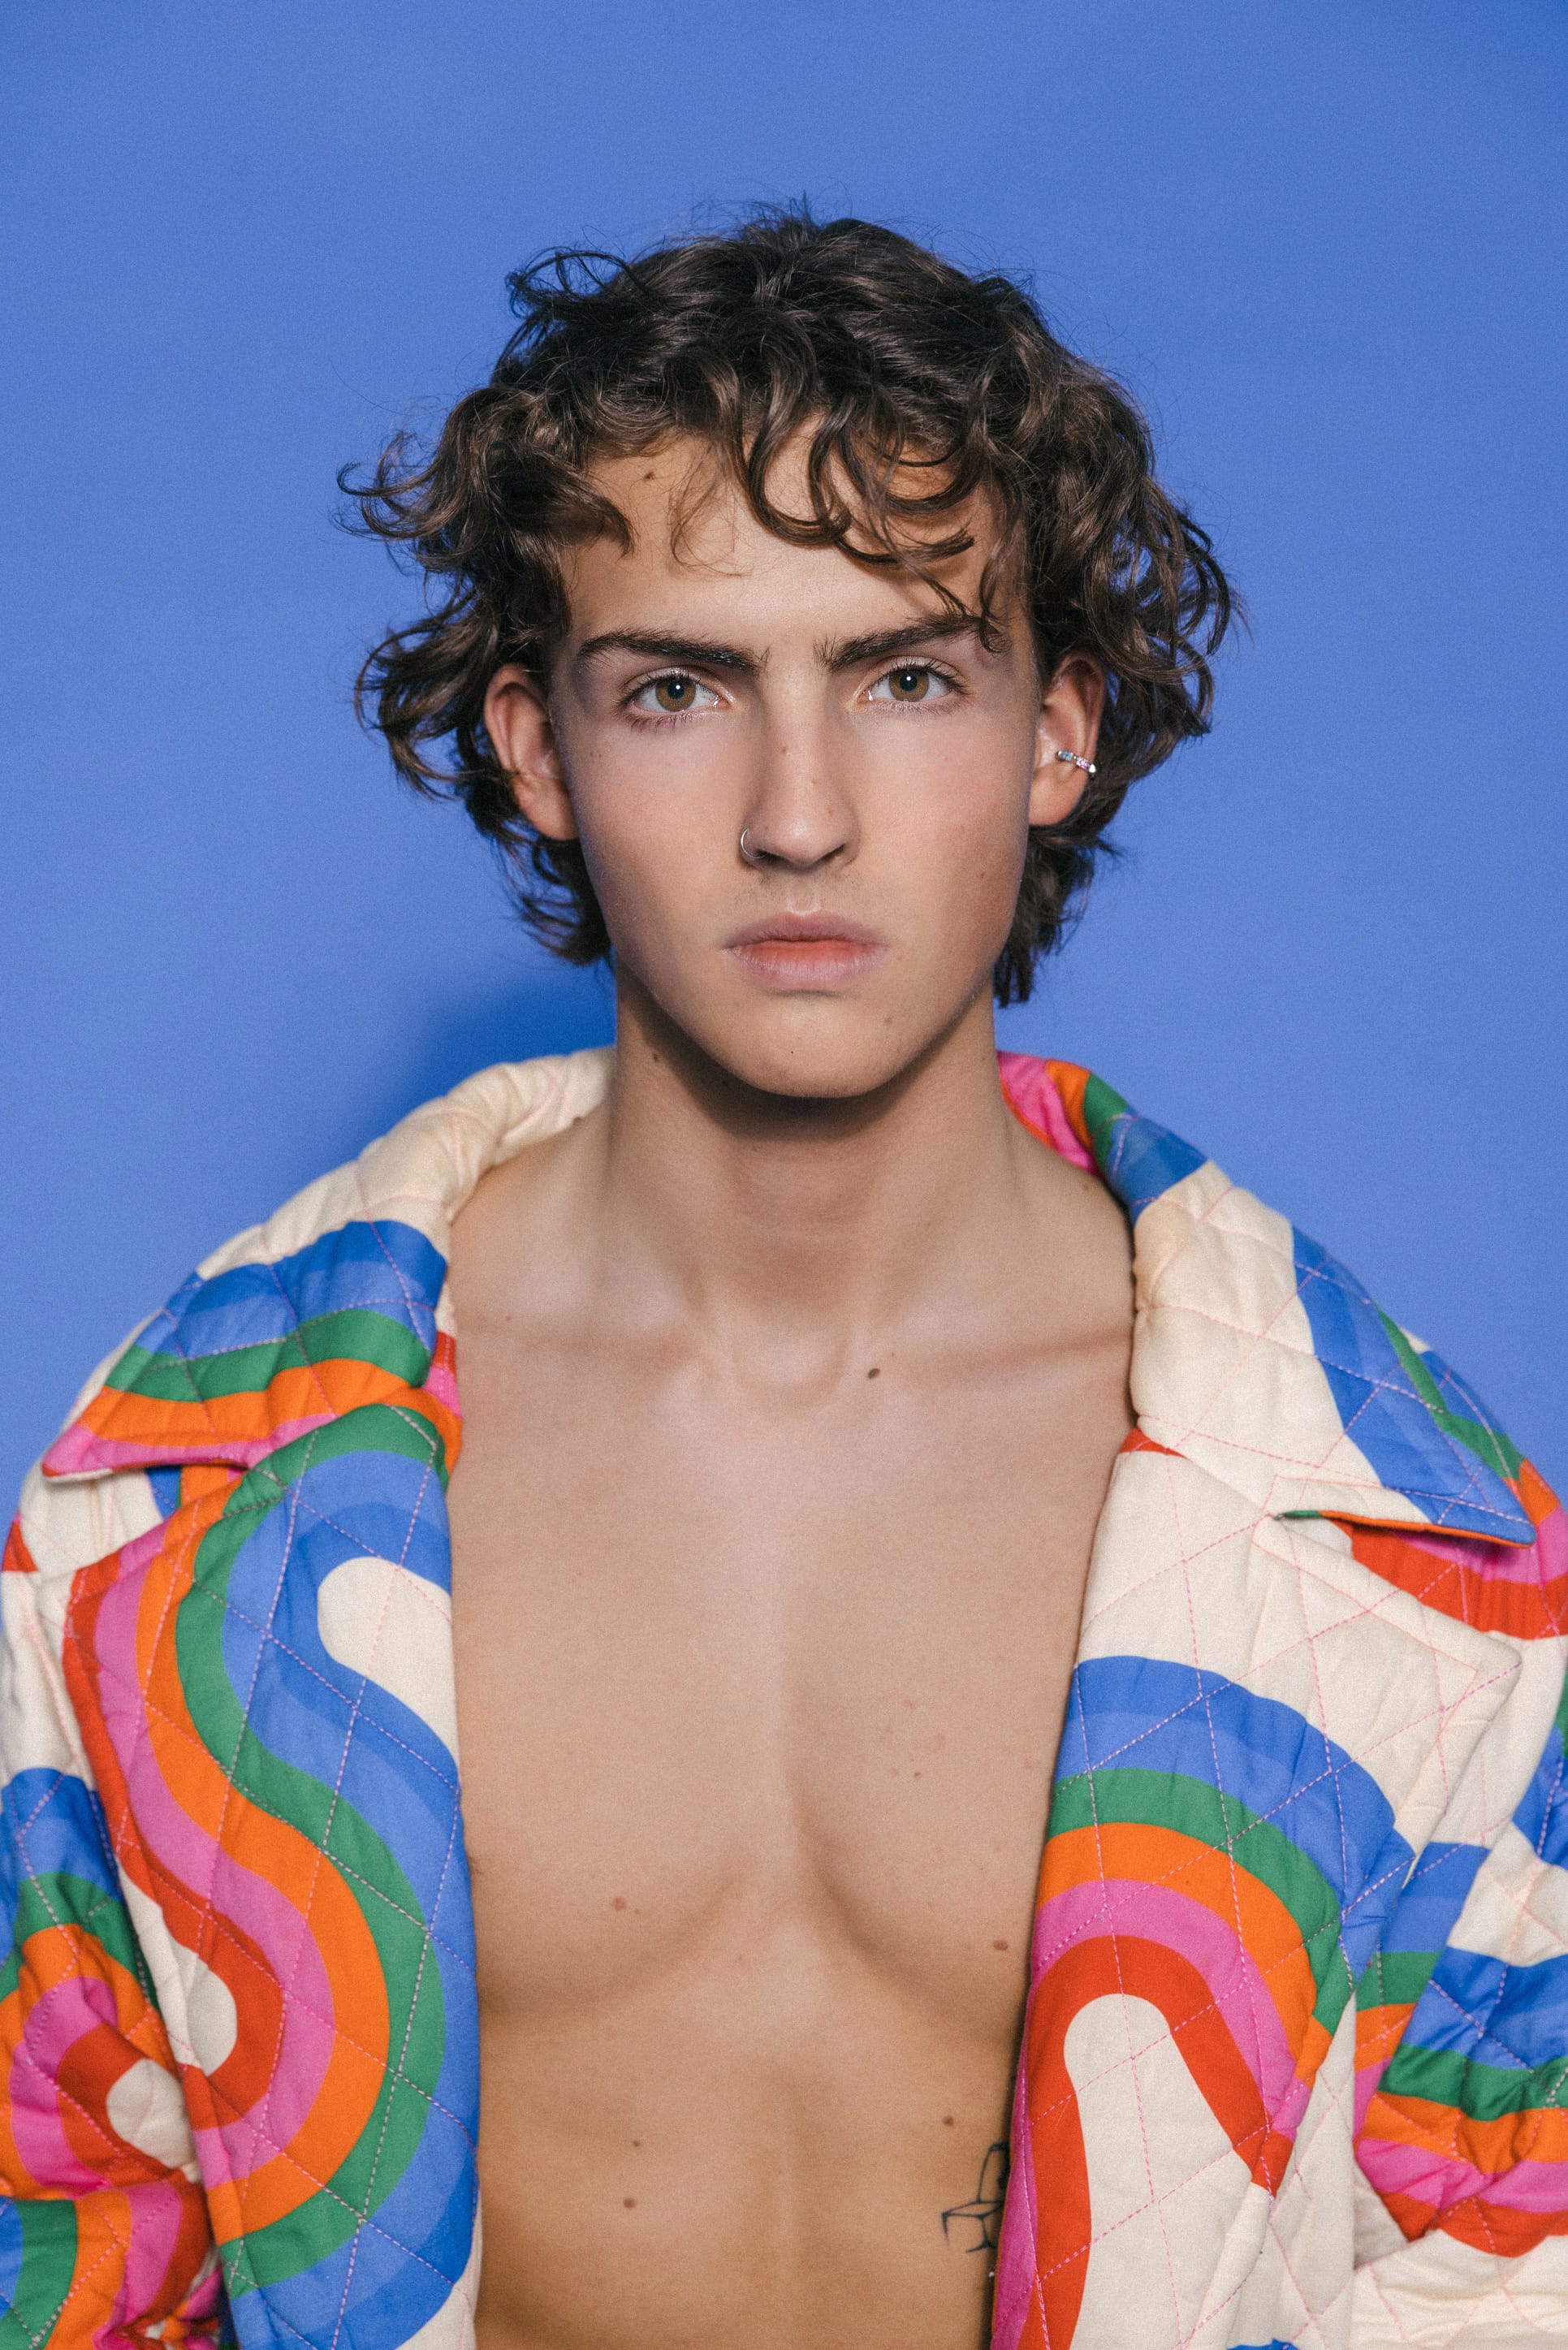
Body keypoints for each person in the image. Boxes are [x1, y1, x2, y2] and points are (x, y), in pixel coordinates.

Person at [2, 210, 1562, 2350]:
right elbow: (65, 2242)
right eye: (678, 687)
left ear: (1054, 735)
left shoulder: (1416, 1549)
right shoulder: (157, 1507)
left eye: (906, 676)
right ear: (537, 750)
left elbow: (1504, 2266)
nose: (799, 814)